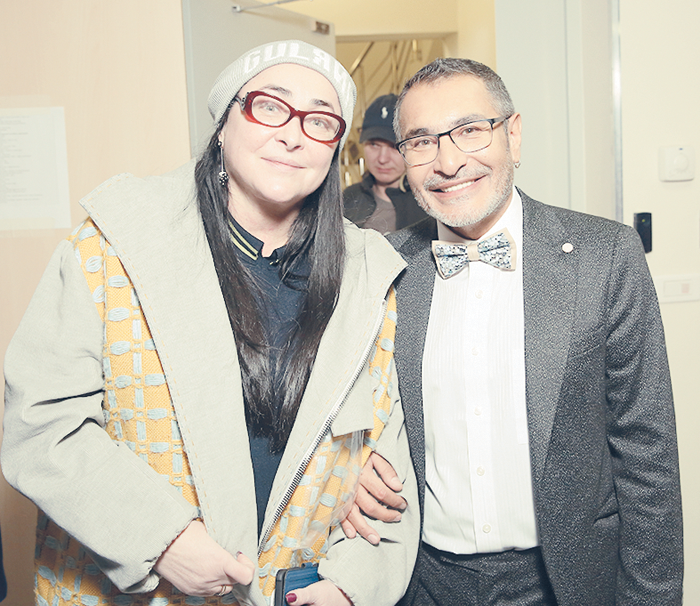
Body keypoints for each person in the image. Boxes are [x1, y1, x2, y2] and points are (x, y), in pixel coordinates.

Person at [1, 40, 418, 606]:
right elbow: (43, 423)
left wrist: (350, 586)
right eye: (270, 106)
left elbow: (388, 452)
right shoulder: (113, 246)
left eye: (320, 121)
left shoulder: (367, 275)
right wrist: (161, 539)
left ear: (333, 150)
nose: (293, 134)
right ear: (224, 125)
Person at [345, 57, 683, 605]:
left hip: (566, 583)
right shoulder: (382, 266)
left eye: (470, 131)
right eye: (422, 142)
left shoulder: (605, 257)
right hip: (422, 582)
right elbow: (341, 408)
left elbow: (647, 454)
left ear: (513, 135)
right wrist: (348, 466)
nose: (448, 162)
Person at [343, 94, 426, 233]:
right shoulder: (348, 198)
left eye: (394, 147)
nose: (382, 159)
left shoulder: (428, 203)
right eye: (374, 144)